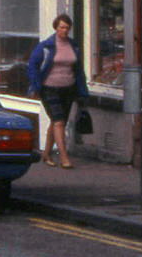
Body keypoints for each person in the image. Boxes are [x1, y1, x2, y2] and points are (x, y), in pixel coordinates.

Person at [27, 13, 89, 169]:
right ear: (56, 28)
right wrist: (35, 86)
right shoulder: (46, 46)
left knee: (57, 122)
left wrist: (82, 91)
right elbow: (33, 65)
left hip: (68, 88)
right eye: (62, 27)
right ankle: (64, 157)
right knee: (59, 122)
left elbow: (79, 70)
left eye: (67, 28)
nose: (65, 30)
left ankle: (46, 154)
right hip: (49, 88)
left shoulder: (73, 46)